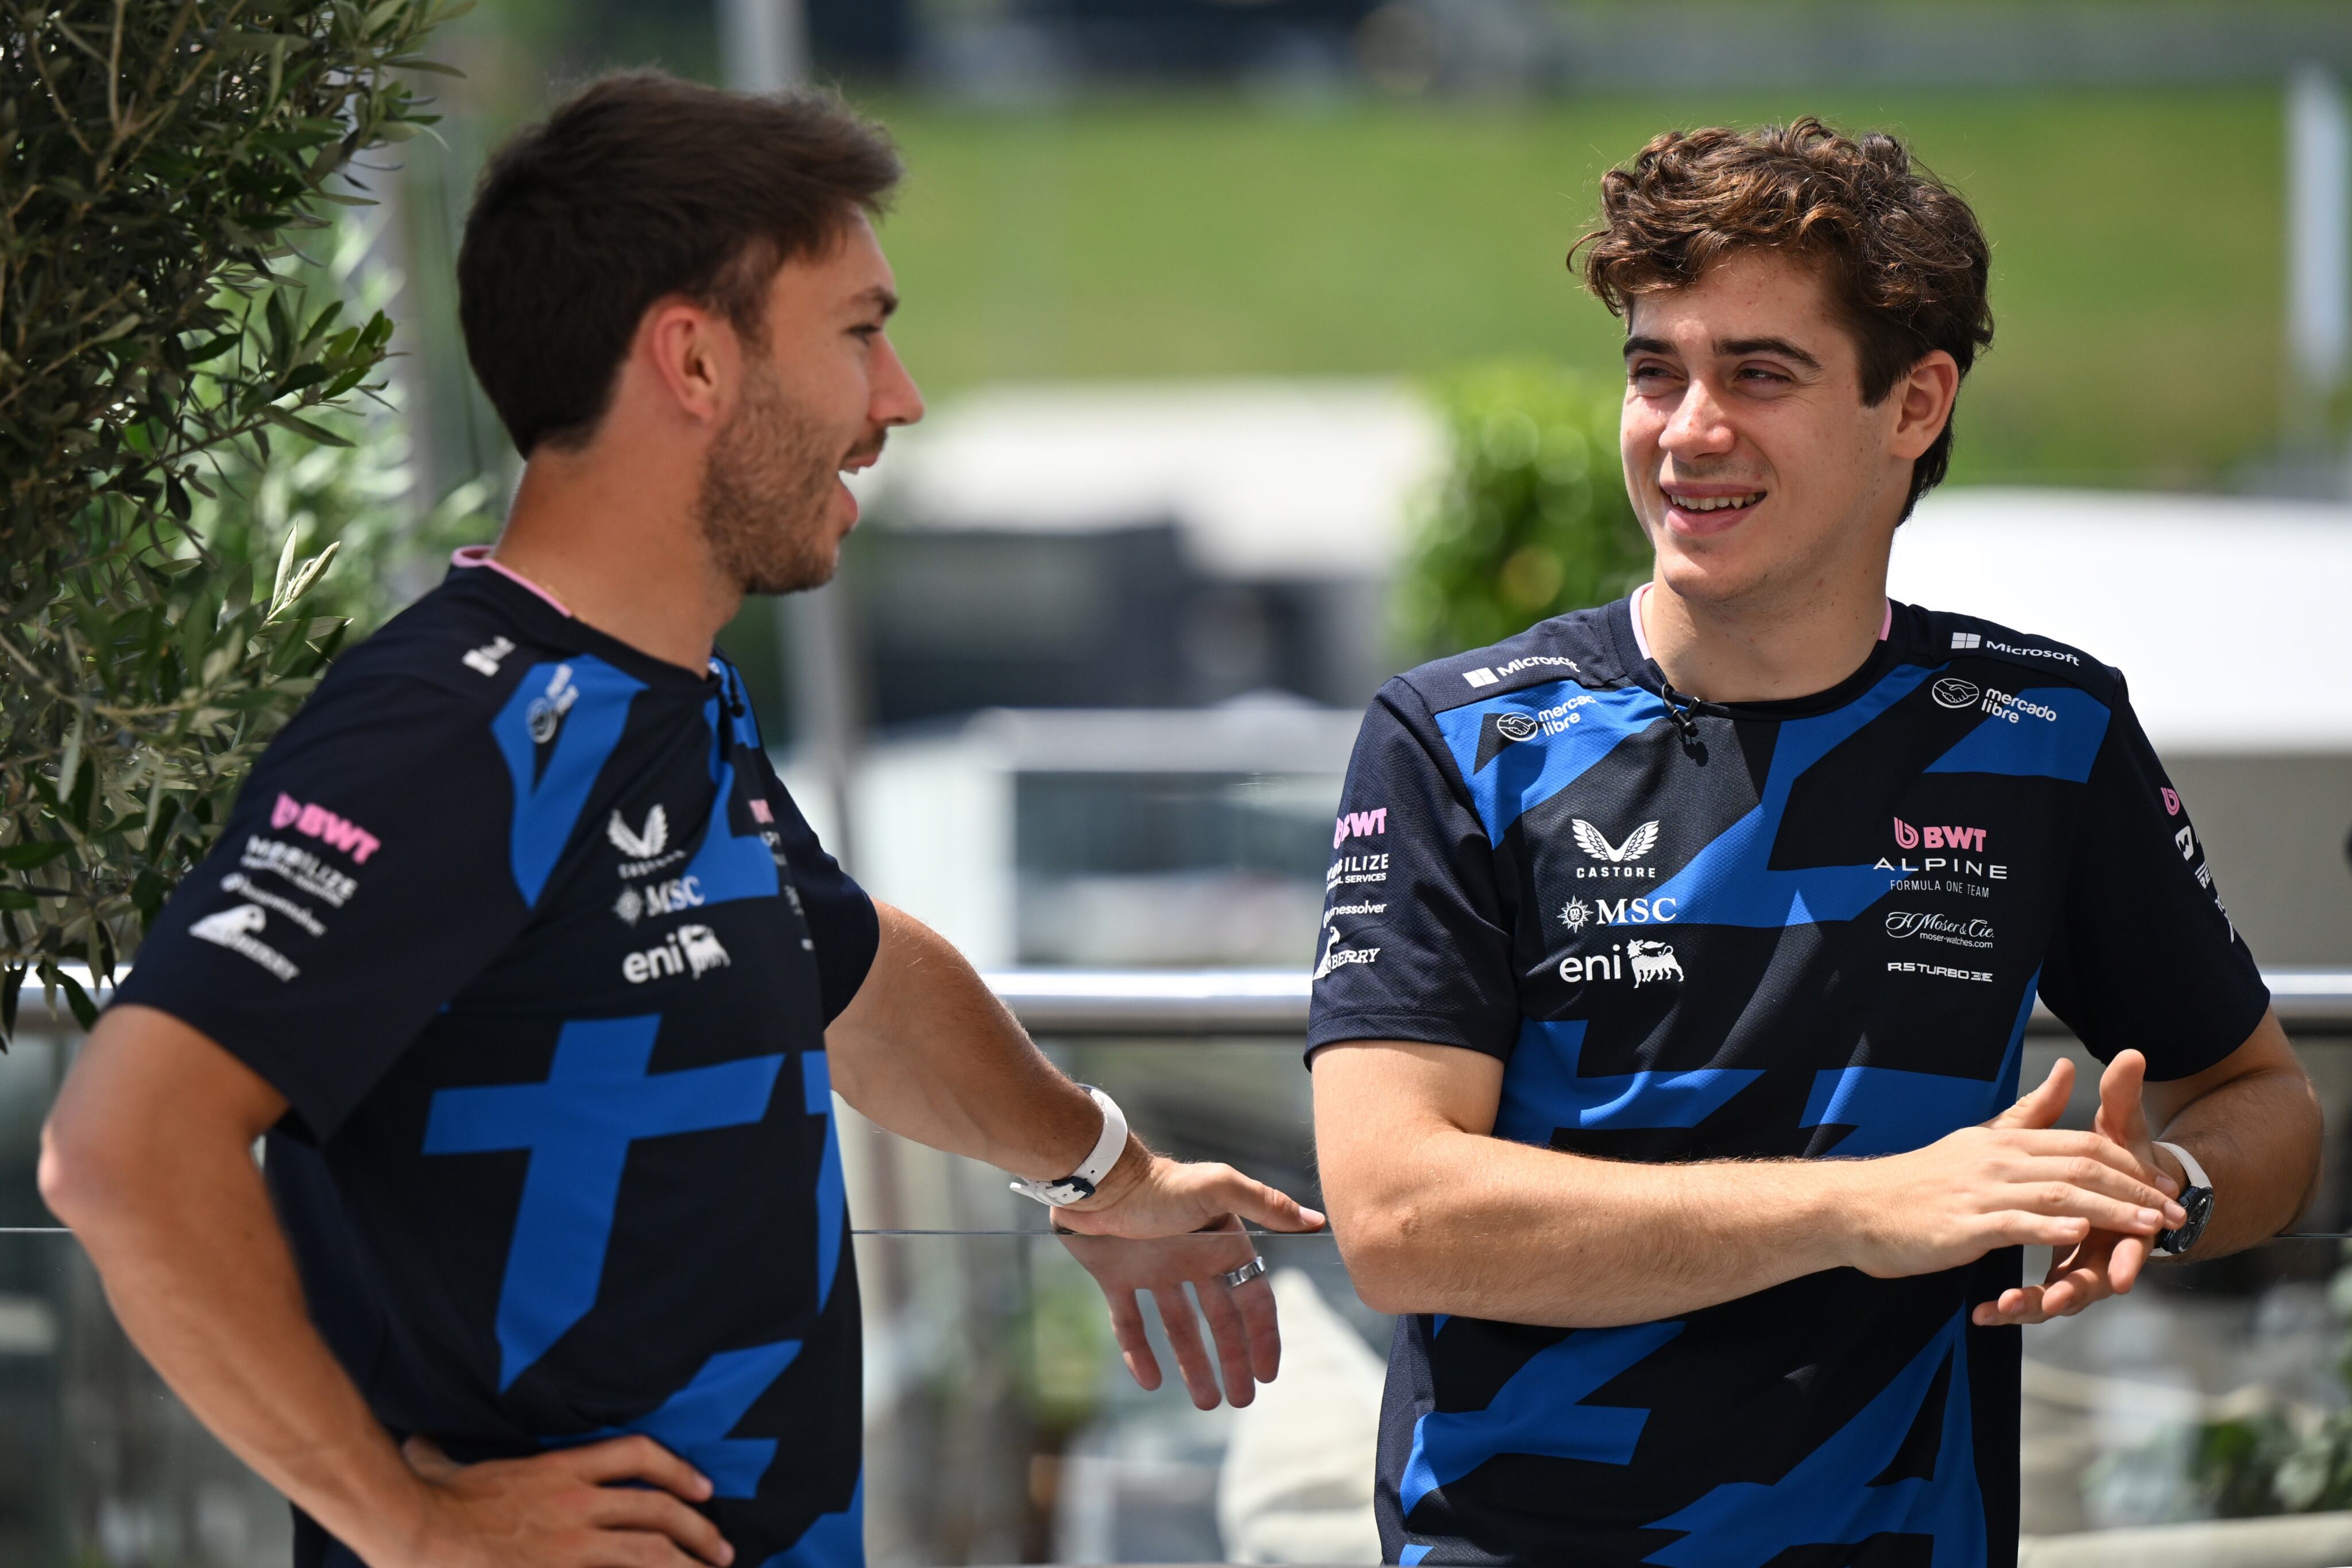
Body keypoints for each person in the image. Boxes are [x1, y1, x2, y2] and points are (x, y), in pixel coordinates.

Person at [38, 73, 1323, 1568]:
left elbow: (851, 974)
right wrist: (410, 1524)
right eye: (858, 331)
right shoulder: (459, 723)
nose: (895, 396)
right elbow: (121, 1151)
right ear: (696, 361)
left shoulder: (659, 700)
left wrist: (1110, 1173)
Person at [1307, 120, 2322, 1565]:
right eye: (1653, 370)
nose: (1684, 429)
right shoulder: (1455, 738)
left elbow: (2262, 1100)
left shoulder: (2042, 732)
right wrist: (1867, 1207)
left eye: (1756, 374)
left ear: (1912, 404)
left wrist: (2164, 1194)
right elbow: (1399, 1212)